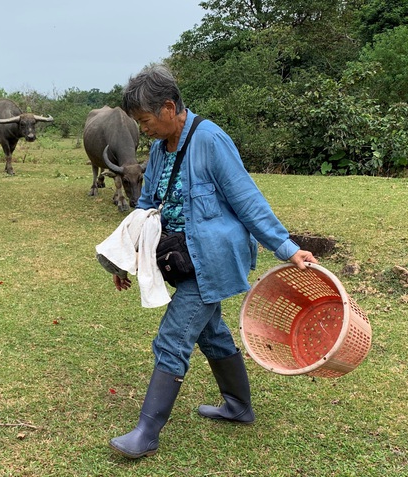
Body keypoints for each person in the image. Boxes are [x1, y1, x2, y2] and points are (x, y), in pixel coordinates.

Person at [108, 64, 318, 459]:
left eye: (146, 120)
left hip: (213, 260)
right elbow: (146, 205)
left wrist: (287, 247)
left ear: (169, 107)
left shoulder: (210, 140)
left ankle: (146, 432)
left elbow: (247, 199)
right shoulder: (157, 149)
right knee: (211, 333)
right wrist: (127, 258)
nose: (144, 128)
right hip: (182, 259)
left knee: (172, 339)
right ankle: (238, 407)